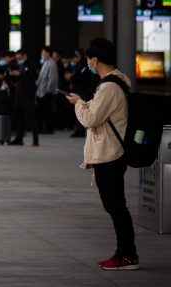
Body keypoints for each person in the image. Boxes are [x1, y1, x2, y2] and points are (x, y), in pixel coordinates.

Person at [66, 38, 139, 271]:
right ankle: (126, 253)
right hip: (110, 152)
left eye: (88, 60)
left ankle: (127, 255)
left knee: (115, 206)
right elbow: (98, 115)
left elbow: (90, 119)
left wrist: (78, 104)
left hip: (110, 153)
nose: (88, 63)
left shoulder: (108, 86)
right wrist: (85, 104)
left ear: (94, 60)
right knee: (115, 205)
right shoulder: (114, 84)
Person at [9, 49, 40, 146]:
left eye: (20, 58)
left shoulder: (31, 66)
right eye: (17, 59)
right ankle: (19, 138)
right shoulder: (21, 66)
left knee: (31, 117)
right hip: (18, 94)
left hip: (27, 95)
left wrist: (20, 75)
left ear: (25, 56)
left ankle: (35, 139)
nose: (18, 60)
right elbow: (19, 80)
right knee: (20, 117)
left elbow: (31, 80)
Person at [70, 48, 94, 138]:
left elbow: (82, 77)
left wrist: (72, 78)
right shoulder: (78, 65)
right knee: (77, 109)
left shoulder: (83, 64)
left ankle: (81, 129)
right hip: (77, 89)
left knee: (81, 109)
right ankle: (78, 128)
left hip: (82, 90)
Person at [36, 46, 57, 134]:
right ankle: (44, 127)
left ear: (48, 53)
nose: (42, 54)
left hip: (46, 91)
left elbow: (52, 78)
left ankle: (48, 128)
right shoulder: (45, 62)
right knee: (43, 110)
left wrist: (48, 89)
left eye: (43, 52)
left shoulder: (51, 63)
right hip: (41, 91)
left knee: (47, 110)